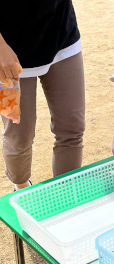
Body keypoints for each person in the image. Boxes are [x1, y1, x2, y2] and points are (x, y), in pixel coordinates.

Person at [0, 0, 85, 191]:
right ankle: (21, 188)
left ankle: (66, 194)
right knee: (19, 137)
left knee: (72, 128)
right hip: (9, 49)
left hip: (62, 33)